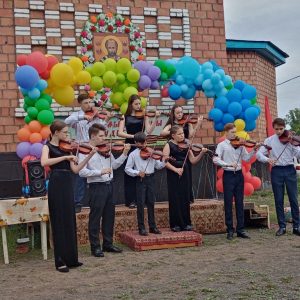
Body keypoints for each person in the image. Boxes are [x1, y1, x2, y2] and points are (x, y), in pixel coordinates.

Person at [41, 120, 97, 272]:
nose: (68, 135)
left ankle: (72, 259)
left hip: (67, 185)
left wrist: (89, 156)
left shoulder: (68, 148)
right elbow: (44, 162)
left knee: (69, 220)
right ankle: (60, 261)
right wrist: (64, 158)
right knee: (58, 221)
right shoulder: (48, 147)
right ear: (56, 132)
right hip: (56, 184)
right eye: (65, 132)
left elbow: (76, 170)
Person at [79, 124, 131, 257]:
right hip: (96, 187)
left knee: (109, 216)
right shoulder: (84, 150)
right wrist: (100, 172)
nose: (104, 139)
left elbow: (113, 165)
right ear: (93, 136)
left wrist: (124, 153)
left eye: (104, 135)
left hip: (110, 185)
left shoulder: (106, 150)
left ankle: (108, 244)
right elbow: (82, 172)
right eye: (101, 136)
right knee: (95, 217)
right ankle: (95, 247)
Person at [213, 123, 260, 240]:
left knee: (240, 202)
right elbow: (215, 159)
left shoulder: (240, 145)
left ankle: (241, 229)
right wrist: (227, 164)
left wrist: (254, 150)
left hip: (239, 175)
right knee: (228, 202)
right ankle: (229, 229)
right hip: (228, 174)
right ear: (226, 133)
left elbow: (246, 158)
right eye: (232, 132)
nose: (235, 134)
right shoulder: (222, 145)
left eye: (235, 132)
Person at [65, 93, 109, 213]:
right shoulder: (77, 115)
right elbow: (66, 122)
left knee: (96, 174)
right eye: (86, 103)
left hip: (96, 148)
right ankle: (77, 202)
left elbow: (103, 128)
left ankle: (94, 201)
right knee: (81, 176)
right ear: (80, 103)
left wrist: (106, 119)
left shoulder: (96, 115)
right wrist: (83, 117)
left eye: (91, 102)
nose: (89, 105)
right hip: (83, 147)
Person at [256, 117, 300, 237]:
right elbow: (259, 154)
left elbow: (298, 154)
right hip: (276, 170)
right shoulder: (269, 140)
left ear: (284, 127)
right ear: (273, 128)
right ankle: (282, 227)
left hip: (290, 169)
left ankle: (297, 226)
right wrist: (268, 159)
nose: (279, 131)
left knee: (293, 199)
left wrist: (294, 144)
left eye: (281, 129)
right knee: (278, 199)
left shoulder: (291, 140)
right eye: (277, 129)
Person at [162, 125, 208, 232]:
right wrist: (176, 169)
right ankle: (175, 224)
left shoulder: (186, 145)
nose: (182, 135)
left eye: (183, 133)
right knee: (175, 199)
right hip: (174, 175)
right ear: (173, 135)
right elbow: (164, 162)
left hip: (185, 174)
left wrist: (201, 153)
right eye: (179, 134)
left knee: (185, 198)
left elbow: (192, 161)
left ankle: (186, 223)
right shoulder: (168, 145)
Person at [118, 94, 160, 208]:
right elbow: (120, 132)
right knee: (130, 172)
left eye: (139, 104)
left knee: (142, 170)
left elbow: (149, 131)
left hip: (142, 144)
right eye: (136, 104)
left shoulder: (143, 115)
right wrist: (134, 136)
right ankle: (131, 200)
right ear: (131, 104)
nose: (138, 106)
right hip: (130, 144)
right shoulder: (124, 116)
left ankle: (143, 200)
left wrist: (155, 118)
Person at [125, 132, 165, 236]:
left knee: (151, 202)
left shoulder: (151, 152)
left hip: (151, 178)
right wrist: (137, 172)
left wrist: (165, 160)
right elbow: (127, 169)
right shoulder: (133, 154)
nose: (143, 145)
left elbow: (158, 166)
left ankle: (153, 226)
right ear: (136, 143)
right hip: (140, 180)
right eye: (140, 143)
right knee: (141, 204)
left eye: (144, 142)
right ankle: (141, 228)